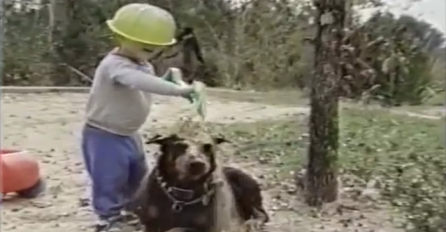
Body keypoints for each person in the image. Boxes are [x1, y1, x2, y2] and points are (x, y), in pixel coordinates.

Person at [81, 3, 200, 232]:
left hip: (129, 133)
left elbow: (149, 84)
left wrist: (169, 80)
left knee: (138, 176)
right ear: (120, 37)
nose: (151, 54)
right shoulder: (115, 65)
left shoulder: (141, 63)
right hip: (104, 135)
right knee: (109, 179)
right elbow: (137, 81)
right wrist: (179, 91)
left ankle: (137, 210)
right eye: (146, 49)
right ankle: (109, 218)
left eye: (155, 50)